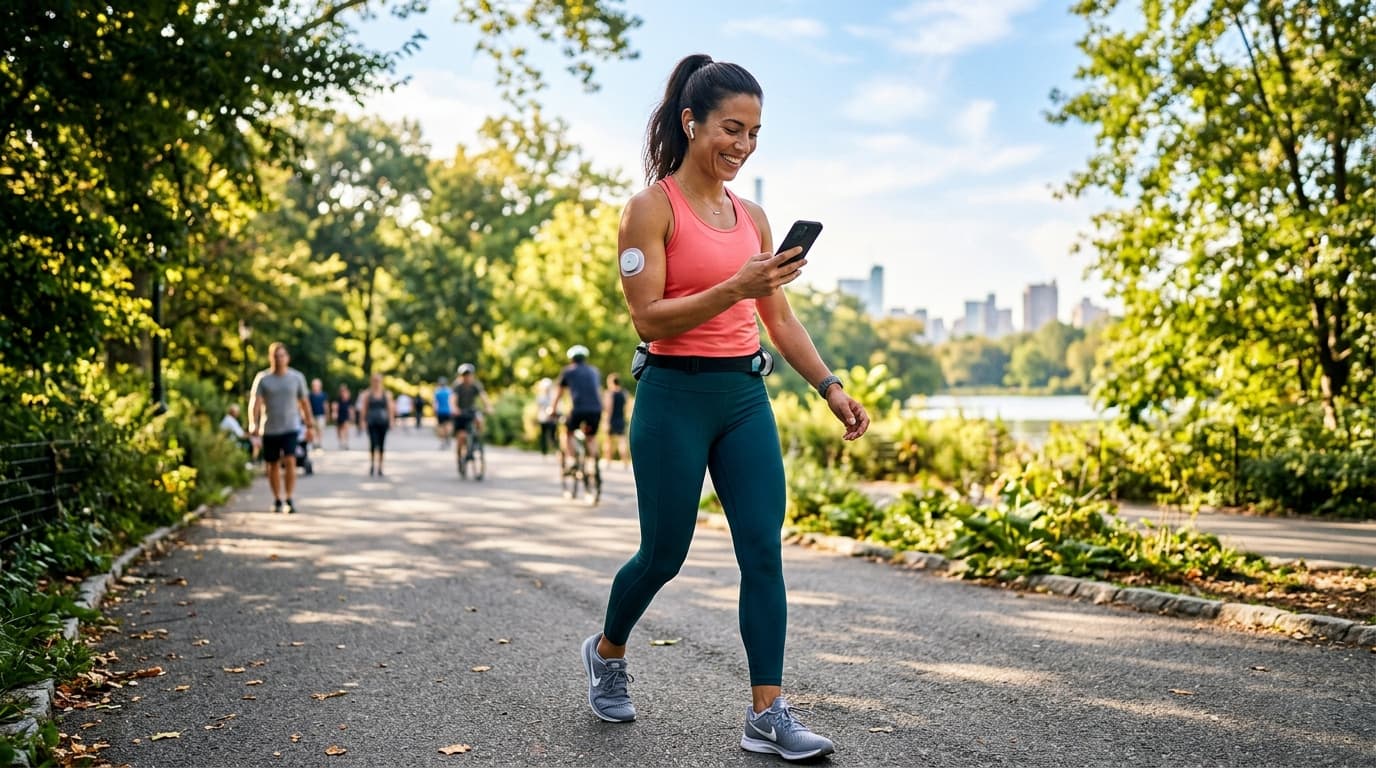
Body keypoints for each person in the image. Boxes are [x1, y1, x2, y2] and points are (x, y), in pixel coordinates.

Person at [578, 54, 869, 762]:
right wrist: (735, 286)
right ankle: (608, 650)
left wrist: (831, 387)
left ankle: (766, 714)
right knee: (664, 553)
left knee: (762, 550)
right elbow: (649, 320)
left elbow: (782, 320)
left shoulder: (754, 218)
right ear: (691, 122)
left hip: (743, 397)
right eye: (731, 129)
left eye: (755, 134)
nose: (742, 145)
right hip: (674, 396)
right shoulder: (649, 209)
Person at [248, 342, 317, 514]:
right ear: (271, 358)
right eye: (276, 356)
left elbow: (304, 403)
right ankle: (277, 499)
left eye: (282, 356)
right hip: (270, 428)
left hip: (291, 427)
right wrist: (253, 423)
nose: (279, 359)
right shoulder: (263, 378)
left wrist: (310, 425)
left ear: (287, 358)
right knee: (272, 466)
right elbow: (255, 404)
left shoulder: (296, 378)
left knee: (291, 460)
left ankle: (289, 498)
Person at [552, 345, 602, 467]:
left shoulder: (568, 371)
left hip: (578, 409)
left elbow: (559, 393)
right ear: (585, 358)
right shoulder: (594, 371)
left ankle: (572, 460)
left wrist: (553, 409)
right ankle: (594, 466)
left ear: (571, 359)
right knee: (591, 436)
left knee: (568, 433)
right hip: (596, 410)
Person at [452, 364, 492, 464]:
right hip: (460, 413)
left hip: (471, 410)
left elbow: (483, 396)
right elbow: (453, 399)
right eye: (465, 375)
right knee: (461, 437)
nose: (467, 377)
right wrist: (455, 408)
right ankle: (459, 457)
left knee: (479, 420)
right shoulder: (457, 385)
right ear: (461, 376)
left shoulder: (475, 385)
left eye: (469, 375)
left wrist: (488, 406)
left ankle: (476, 440)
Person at [358, 372, 395, 476]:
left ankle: (380, 467)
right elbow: (364, 408)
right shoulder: (367, 394)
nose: (376, 383)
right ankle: (372, 464)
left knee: (382, 445)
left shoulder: (386, 394)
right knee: (373, 444)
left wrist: (391, 420)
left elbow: (390, 408)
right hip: (371, 422)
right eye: (375, 380)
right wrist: (362, 421)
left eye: (378, 380)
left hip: (383, 422)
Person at [602, 373, 630, 468]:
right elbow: (627, 407)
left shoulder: (609, 393)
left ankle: (608, 461)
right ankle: (625, 462)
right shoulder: (624, 393)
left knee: (608, 441)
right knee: (622, 441)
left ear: (610, 382)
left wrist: (606, 421)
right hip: (621, 419)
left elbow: (608, 408)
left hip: (612, 420)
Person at [534, 377, 559, 457]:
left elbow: (557, 406)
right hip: (543, 419)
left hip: (552, 419)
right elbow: (538, 408)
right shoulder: (540, 397)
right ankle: (544, 452)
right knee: (543, 436)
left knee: (553, 435)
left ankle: (555, 450)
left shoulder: (553, 396)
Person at [433, 376, 454, 448]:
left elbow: (435, 403)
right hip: (448, 411)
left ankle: (442, 441)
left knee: (441, 426)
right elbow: (452, 401)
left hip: (440, 411)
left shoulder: (437, 392)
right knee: (448, 425)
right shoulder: (449, 391)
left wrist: (435, 411)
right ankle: (448, 436)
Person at [333, 383, 355, 450]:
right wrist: (335, 413)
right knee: (339, 430)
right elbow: (335, 406)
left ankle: (345, 443)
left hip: (346, 415)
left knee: (346, 429)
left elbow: (351, 408)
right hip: (340, 415)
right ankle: (341, 442)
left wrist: (352, 416)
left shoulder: (348, 399)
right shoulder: (338, 398)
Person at [308, 378, 328, 449]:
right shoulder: (310, 395)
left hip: (321, 415)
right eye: (314, 385)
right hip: (312, 415)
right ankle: (314, 443)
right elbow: (308, 405)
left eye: (317, 385)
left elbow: (325, 405)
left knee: (320, 429)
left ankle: (319, 443)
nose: (315, 387)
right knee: (313, 429)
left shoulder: (323, 395)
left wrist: (326, 415)